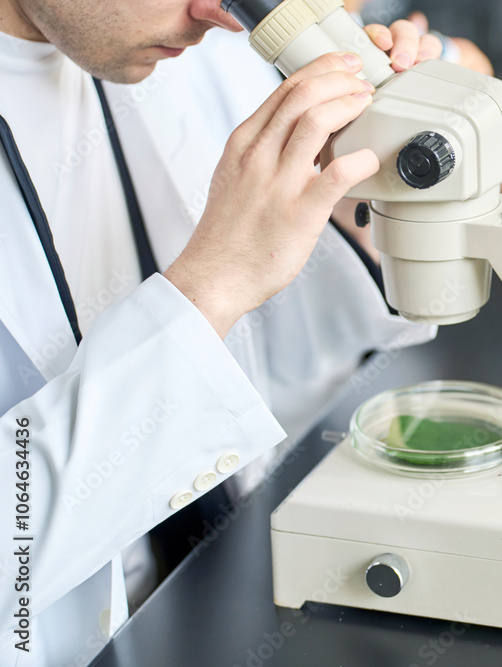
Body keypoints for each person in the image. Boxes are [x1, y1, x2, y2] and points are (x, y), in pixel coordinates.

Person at [0, 1, 443, 664]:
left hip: (206, 610)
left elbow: (232, 399)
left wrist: (354, 196)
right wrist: (212, 287)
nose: (219, 14)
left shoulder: (138, 63)